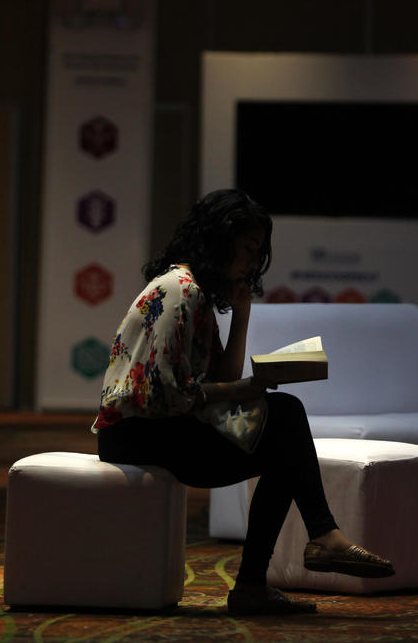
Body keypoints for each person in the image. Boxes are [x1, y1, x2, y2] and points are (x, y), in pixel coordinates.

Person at [92, 189, 394, 615]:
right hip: (137, 435)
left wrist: (242, 311)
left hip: (158, 429)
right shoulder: (181, 290)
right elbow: (166, 395)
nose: (253, 263)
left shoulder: (194, 292)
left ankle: (301, 551)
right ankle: (299, 551)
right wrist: (247, 389)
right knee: (285, 422)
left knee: (284, 430)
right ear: (221, 238)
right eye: (249, 249)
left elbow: (222, 378)